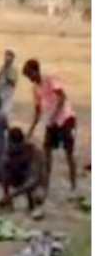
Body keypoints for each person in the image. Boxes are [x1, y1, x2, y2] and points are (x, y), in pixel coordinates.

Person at [24, 59, 77, 196]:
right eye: (28, 77)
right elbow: (37, 111)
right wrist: (30, 131)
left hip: (65, 119)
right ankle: (46, 185)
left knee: (69, 154)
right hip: (51, 123)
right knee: (46, 152)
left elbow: (62, 98)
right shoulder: (35, 88)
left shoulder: (50, 79)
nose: (30, 79)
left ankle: (73, 185)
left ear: (36, 71)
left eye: (31, 75)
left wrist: (54, 115)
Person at [0, 128, 47, 217]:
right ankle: (8, 202)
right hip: (20, 175)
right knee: (4, 169)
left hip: (37, 181)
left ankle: (33, 205)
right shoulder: (9, 149)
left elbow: (33, 180)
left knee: (38, 196)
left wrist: (12, 195)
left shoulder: (34, 152)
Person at [0, 49, 18, 117]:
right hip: (0, 93)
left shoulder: (14, 69)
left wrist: (6, 75)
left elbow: (13, 83)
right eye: (6, 55)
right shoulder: (3, 67)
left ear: (12, 58)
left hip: (8, 95)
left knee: (5, 113)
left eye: (8, 55)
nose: (6, 57)